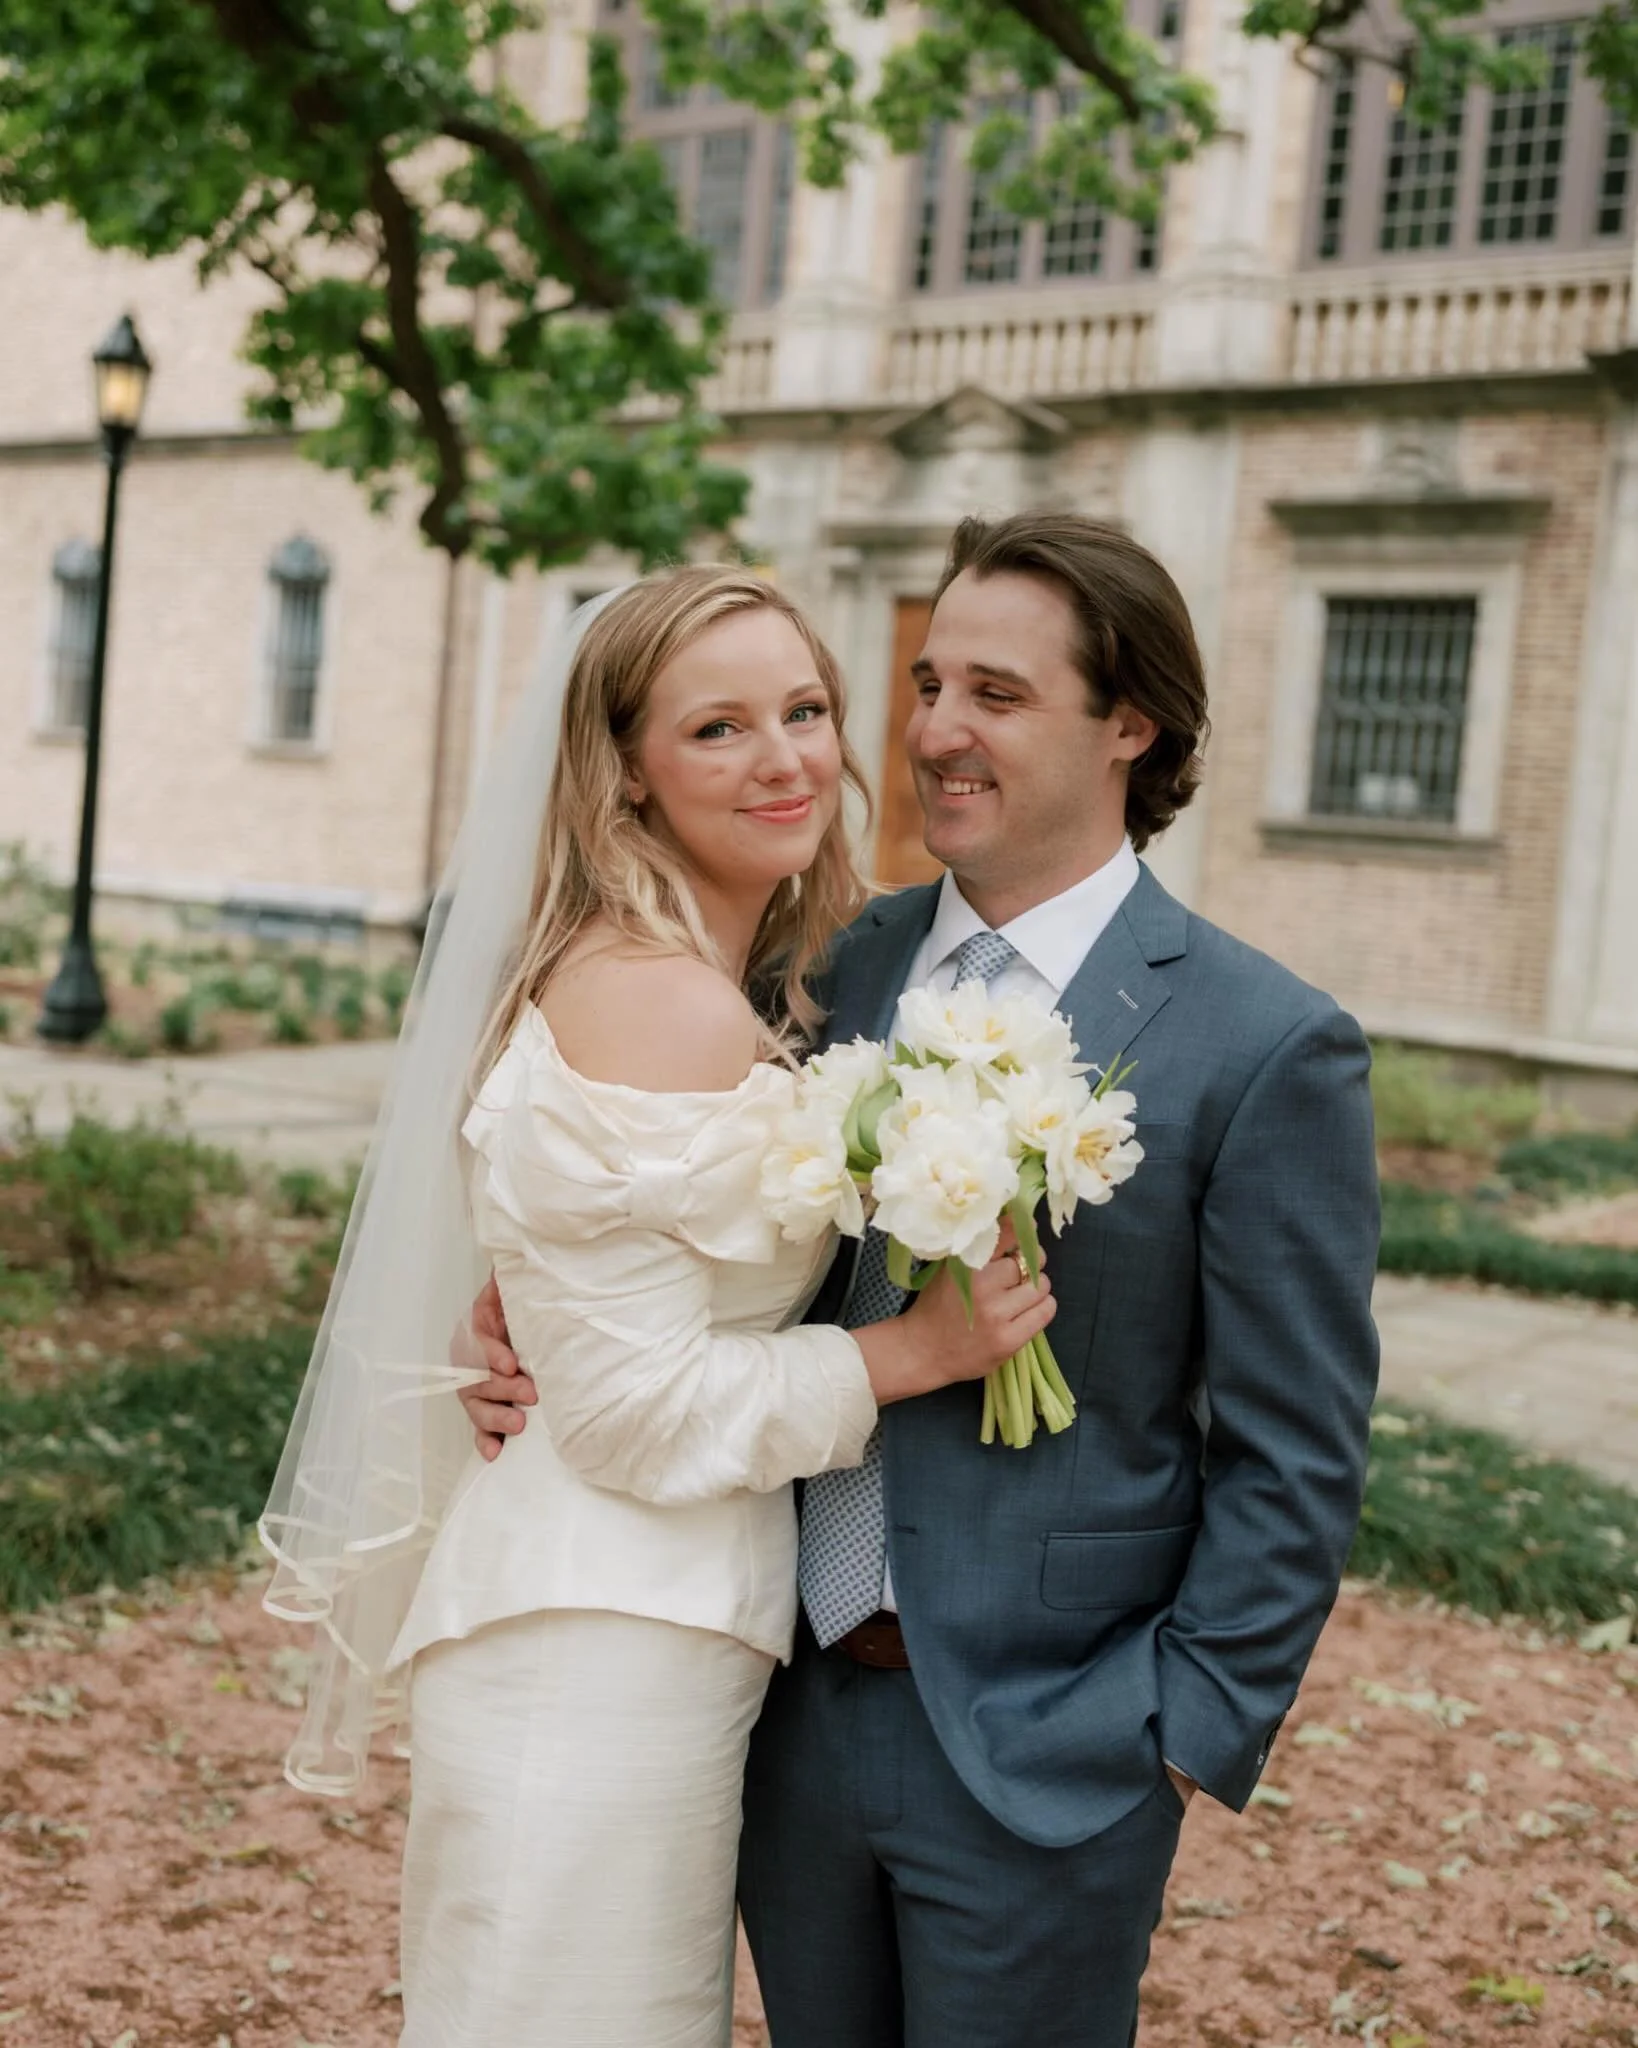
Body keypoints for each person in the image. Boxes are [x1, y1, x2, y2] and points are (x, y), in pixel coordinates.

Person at [460, 514, 1381, 2047]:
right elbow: (656, 1223)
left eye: (997, 697)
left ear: (1128, 725)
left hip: (1053, 1747)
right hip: (784, 1705)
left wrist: (1164, 1734)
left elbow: (1298, 1451)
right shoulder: (820, 965)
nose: (936, 732)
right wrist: (532, 1315)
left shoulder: (1263, 1044)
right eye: (928, 682)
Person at [259, 565, 1057, 2048]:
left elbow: (618, 1287)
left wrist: (529, 1307)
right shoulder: (658, 996)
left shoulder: (722, 974)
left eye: (805, 709)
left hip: (647, 1621)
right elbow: (635, 1418)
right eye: (717, 729)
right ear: (623, 771)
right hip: (598, 1635)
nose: (786, 760)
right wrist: (917, 1351)